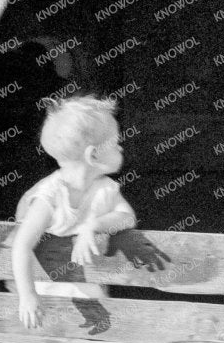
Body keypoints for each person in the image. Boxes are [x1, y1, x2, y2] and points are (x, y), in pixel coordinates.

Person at [12, 94, 138, 329]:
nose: (121, 146)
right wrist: (27, 296)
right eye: (115, 142)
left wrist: (92, 226)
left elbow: (127, 217)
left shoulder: (105, 188)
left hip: (90, 295)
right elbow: (21, 245)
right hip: (45, 301)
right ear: (93, 155)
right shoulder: (50, 196)